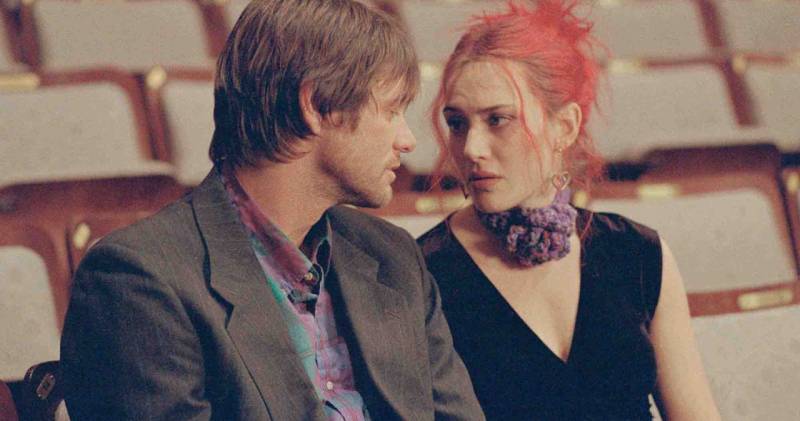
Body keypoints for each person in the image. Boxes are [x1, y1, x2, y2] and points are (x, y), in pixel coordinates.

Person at [60, 1, 485, 419]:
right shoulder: (137, 280)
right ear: (315, 106)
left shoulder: (392, 255)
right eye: (391, 111)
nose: (408, 141)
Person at [417, 1, 721, 419]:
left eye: (498, 120)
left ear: (565, 126)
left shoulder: (637, 253)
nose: (471, 148)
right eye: (457, 123)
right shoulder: (423, 272)